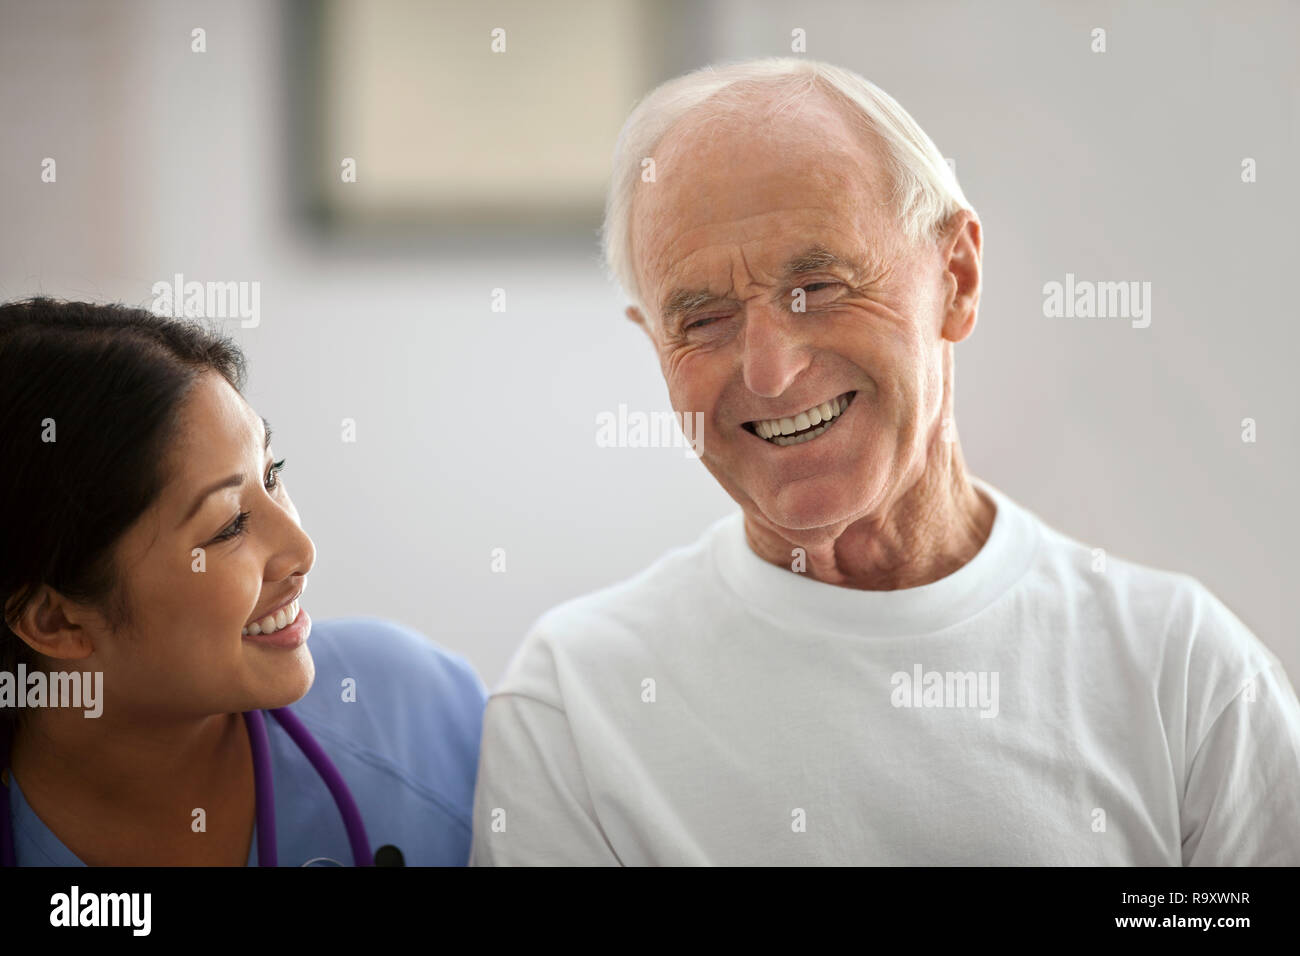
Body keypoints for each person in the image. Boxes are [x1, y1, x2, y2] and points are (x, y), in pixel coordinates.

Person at [469, 57, 1300, 865]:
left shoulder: (1184, 673)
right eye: (703, 318)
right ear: (653, 343)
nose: (768, 370)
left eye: (818, 287)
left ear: (958, 277)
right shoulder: (575, 702)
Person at [0, 297, 486, 866]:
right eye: (229, 524)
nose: (302, 550)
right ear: (54, 619)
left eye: (272, 475)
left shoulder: (418, 712)